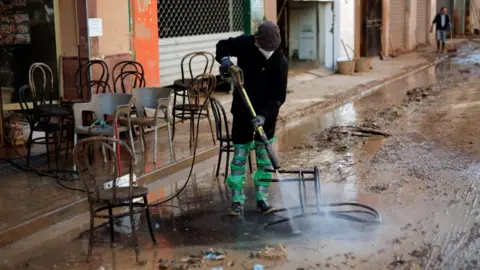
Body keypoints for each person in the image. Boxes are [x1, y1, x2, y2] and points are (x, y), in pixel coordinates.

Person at [215, 21, 288, 216]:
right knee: (239, 158)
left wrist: (264, 116)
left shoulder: (280, 62)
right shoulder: (246, 44)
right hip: (242, 111)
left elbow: (279, 96)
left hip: (266, 118)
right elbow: (222, 45)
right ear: (257, 41)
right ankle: (237, 201)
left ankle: (262, 199)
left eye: (272, 49)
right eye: (265, 49)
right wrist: (224, 59)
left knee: (264, 161)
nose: (268, 53)